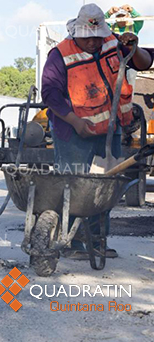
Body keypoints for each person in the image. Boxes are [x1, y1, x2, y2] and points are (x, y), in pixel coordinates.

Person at [41, 4, 154, 259]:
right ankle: (72, 242)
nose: (93, 42)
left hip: (109, 131)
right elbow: (50, 94)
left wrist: (134, 47)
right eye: (87, 37)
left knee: (104, 188)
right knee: (75, 186)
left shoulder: (113, 42)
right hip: (73, 134)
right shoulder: (60, 55)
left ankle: (97, 242)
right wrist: (75, 122)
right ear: (76, 32)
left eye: (97, 37)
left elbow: (146, 62)